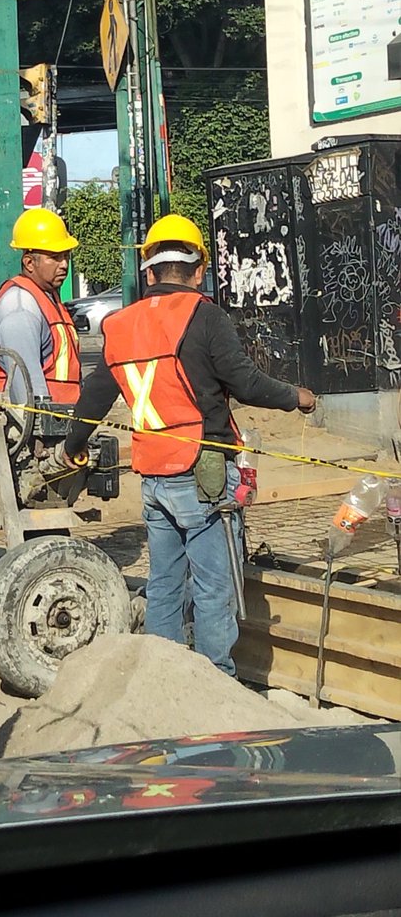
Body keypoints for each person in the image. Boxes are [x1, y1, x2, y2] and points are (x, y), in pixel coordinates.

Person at [62, 214, 317, 676]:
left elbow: (97, 395)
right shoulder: (204, 315)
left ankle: (164, 678)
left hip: (154, 474)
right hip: (204, 473)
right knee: (214, 585)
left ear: (149, 272)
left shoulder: (120, 325)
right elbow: (244, 382)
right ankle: (215, 680)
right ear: (198, 270)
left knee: (164, 583)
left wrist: (72, 444)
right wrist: (294, 397)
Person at [0, 208, 80, 406]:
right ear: (29, 263)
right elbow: (27, 388)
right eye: (55, 257)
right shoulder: (20, 307)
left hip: (61, 425)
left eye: (66, 256)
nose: (64, 264)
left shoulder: (48, 298)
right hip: (38, 431)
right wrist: (39, 427)